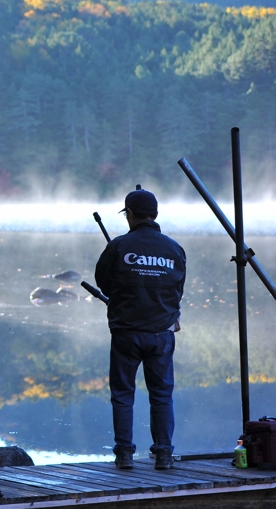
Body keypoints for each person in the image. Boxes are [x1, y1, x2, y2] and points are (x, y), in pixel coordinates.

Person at [94, 187, 186, 471]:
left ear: (130, 214)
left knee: (122, 394)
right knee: (161, 395)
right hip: (162, 334)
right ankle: (164, 455)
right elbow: (176, 289)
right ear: (154, 214)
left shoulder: (119, 246)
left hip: (126, 333)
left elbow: (104, 283)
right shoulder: (174, 248)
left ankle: (124, 455)